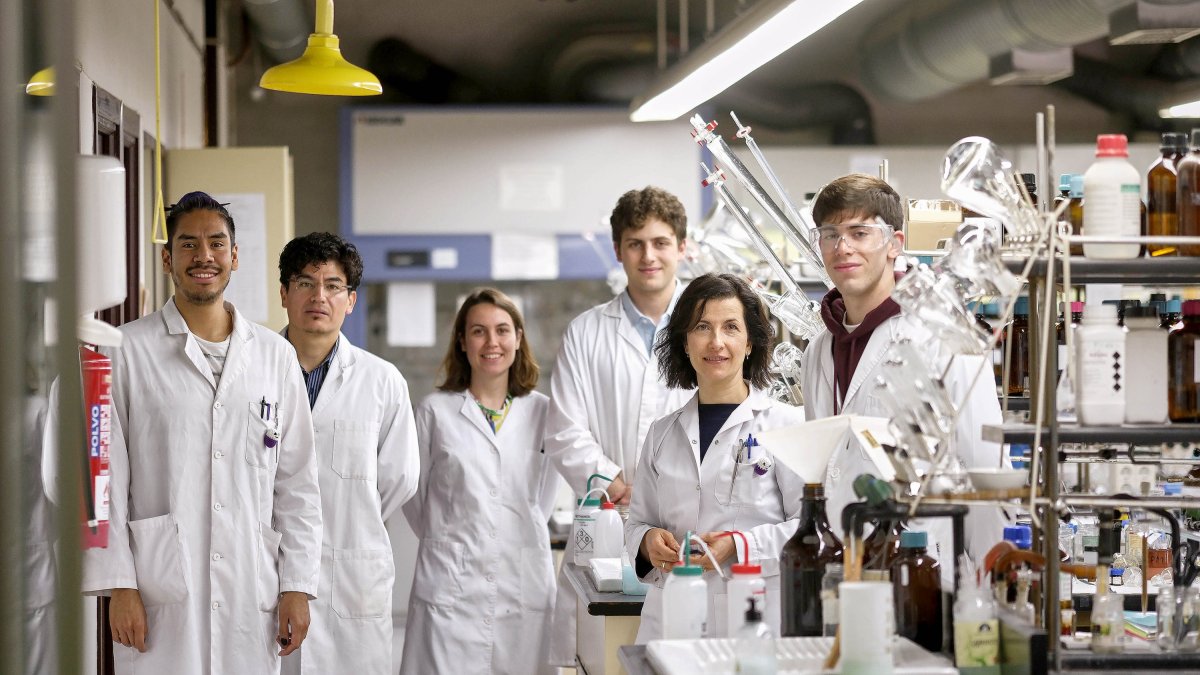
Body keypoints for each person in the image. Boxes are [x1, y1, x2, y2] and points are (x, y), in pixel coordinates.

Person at [80, 191, 322, 675]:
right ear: (168, 258)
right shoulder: (122, 351)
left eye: (216, 243)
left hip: (249, 590)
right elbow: (99, 482)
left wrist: (297, 584)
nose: (204, 256)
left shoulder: (275, 356)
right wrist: (119, 586)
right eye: (188, 245)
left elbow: (297, 484)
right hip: (157, 591)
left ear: (235, 256)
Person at [798, 173, 1005, 580]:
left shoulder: (942, 336)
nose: (843, 247)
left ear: (895, 244)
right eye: (830, 234)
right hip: (843, 571)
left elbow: (985, 470)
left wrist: (995, 587)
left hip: (924, 567)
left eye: (860, 232)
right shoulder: (818, 351)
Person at [544, 186, 691, 664]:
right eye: (636, 243)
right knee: (604, 660)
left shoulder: (706, 328)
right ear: (618, 251)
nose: (649, 256)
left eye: (661, 242)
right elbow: (564, 428)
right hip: (609, 524)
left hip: (683, 529)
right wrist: (614, 483)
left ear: (681, 247)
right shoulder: (587, 332)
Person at [625, 273, 807, 642]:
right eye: (702, 327)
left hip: (750, 623)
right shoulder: (662, 433)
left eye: (731, 328)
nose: (716, 342)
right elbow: (636, 522)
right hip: (670, 623)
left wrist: (739, 546)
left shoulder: (786, 425)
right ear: (686, 343)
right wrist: (646, 541)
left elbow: (808, 529)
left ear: (751, 342)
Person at [277, 233, 420, 675]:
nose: (319, 296)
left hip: (351, 577)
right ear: (284, 293)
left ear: (351, 300)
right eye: (305, 283)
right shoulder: (254, 370)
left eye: (333, 285)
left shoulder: (383, 382)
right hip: (269, 576)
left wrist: (349, 516)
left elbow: (400, 479)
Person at [400, 288, 557, 675]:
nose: (492, 342)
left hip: (521, 583)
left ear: (519, 339)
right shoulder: (434, 412)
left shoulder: (544, 412)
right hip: (450, 588)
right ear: (461, 341)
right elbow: (414, 500)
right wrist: (452, 540)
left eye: (503, 330)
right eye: (478, 331)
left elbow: (545, 497)